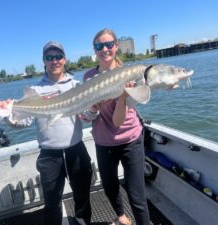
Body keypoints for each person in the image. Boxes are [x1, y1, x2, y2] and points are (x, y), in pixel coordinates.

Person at [5, 41, 97, 225]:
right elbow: (24, 121)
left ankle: (82, 220)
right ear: (44, 61)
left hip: (76, 150)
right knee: (51, 202)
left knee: (83, 195)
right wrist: (9, 116)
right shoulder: (35, 91)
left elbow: (88, 115)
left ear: (64, 59)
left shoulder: (77, 85)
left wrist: (94, 109)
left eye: (58, 57)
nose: (54, 61)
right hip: (49, 155)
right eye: (49, 57)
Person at [83, 28, 150, 225]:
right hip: (104, 141)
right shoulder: (88, 77)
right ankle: (121, 217)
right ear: (94, 50)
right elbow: (87, 116)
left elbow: (119, 119)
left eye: (109, 44)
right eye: (99, 46)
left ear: (116, 46)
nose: (104, 49)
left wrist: (123, 97)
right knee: (110, 186)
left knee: (137, 196)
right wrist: (93, 109)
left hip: (130, 139)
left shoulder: (131, 74)